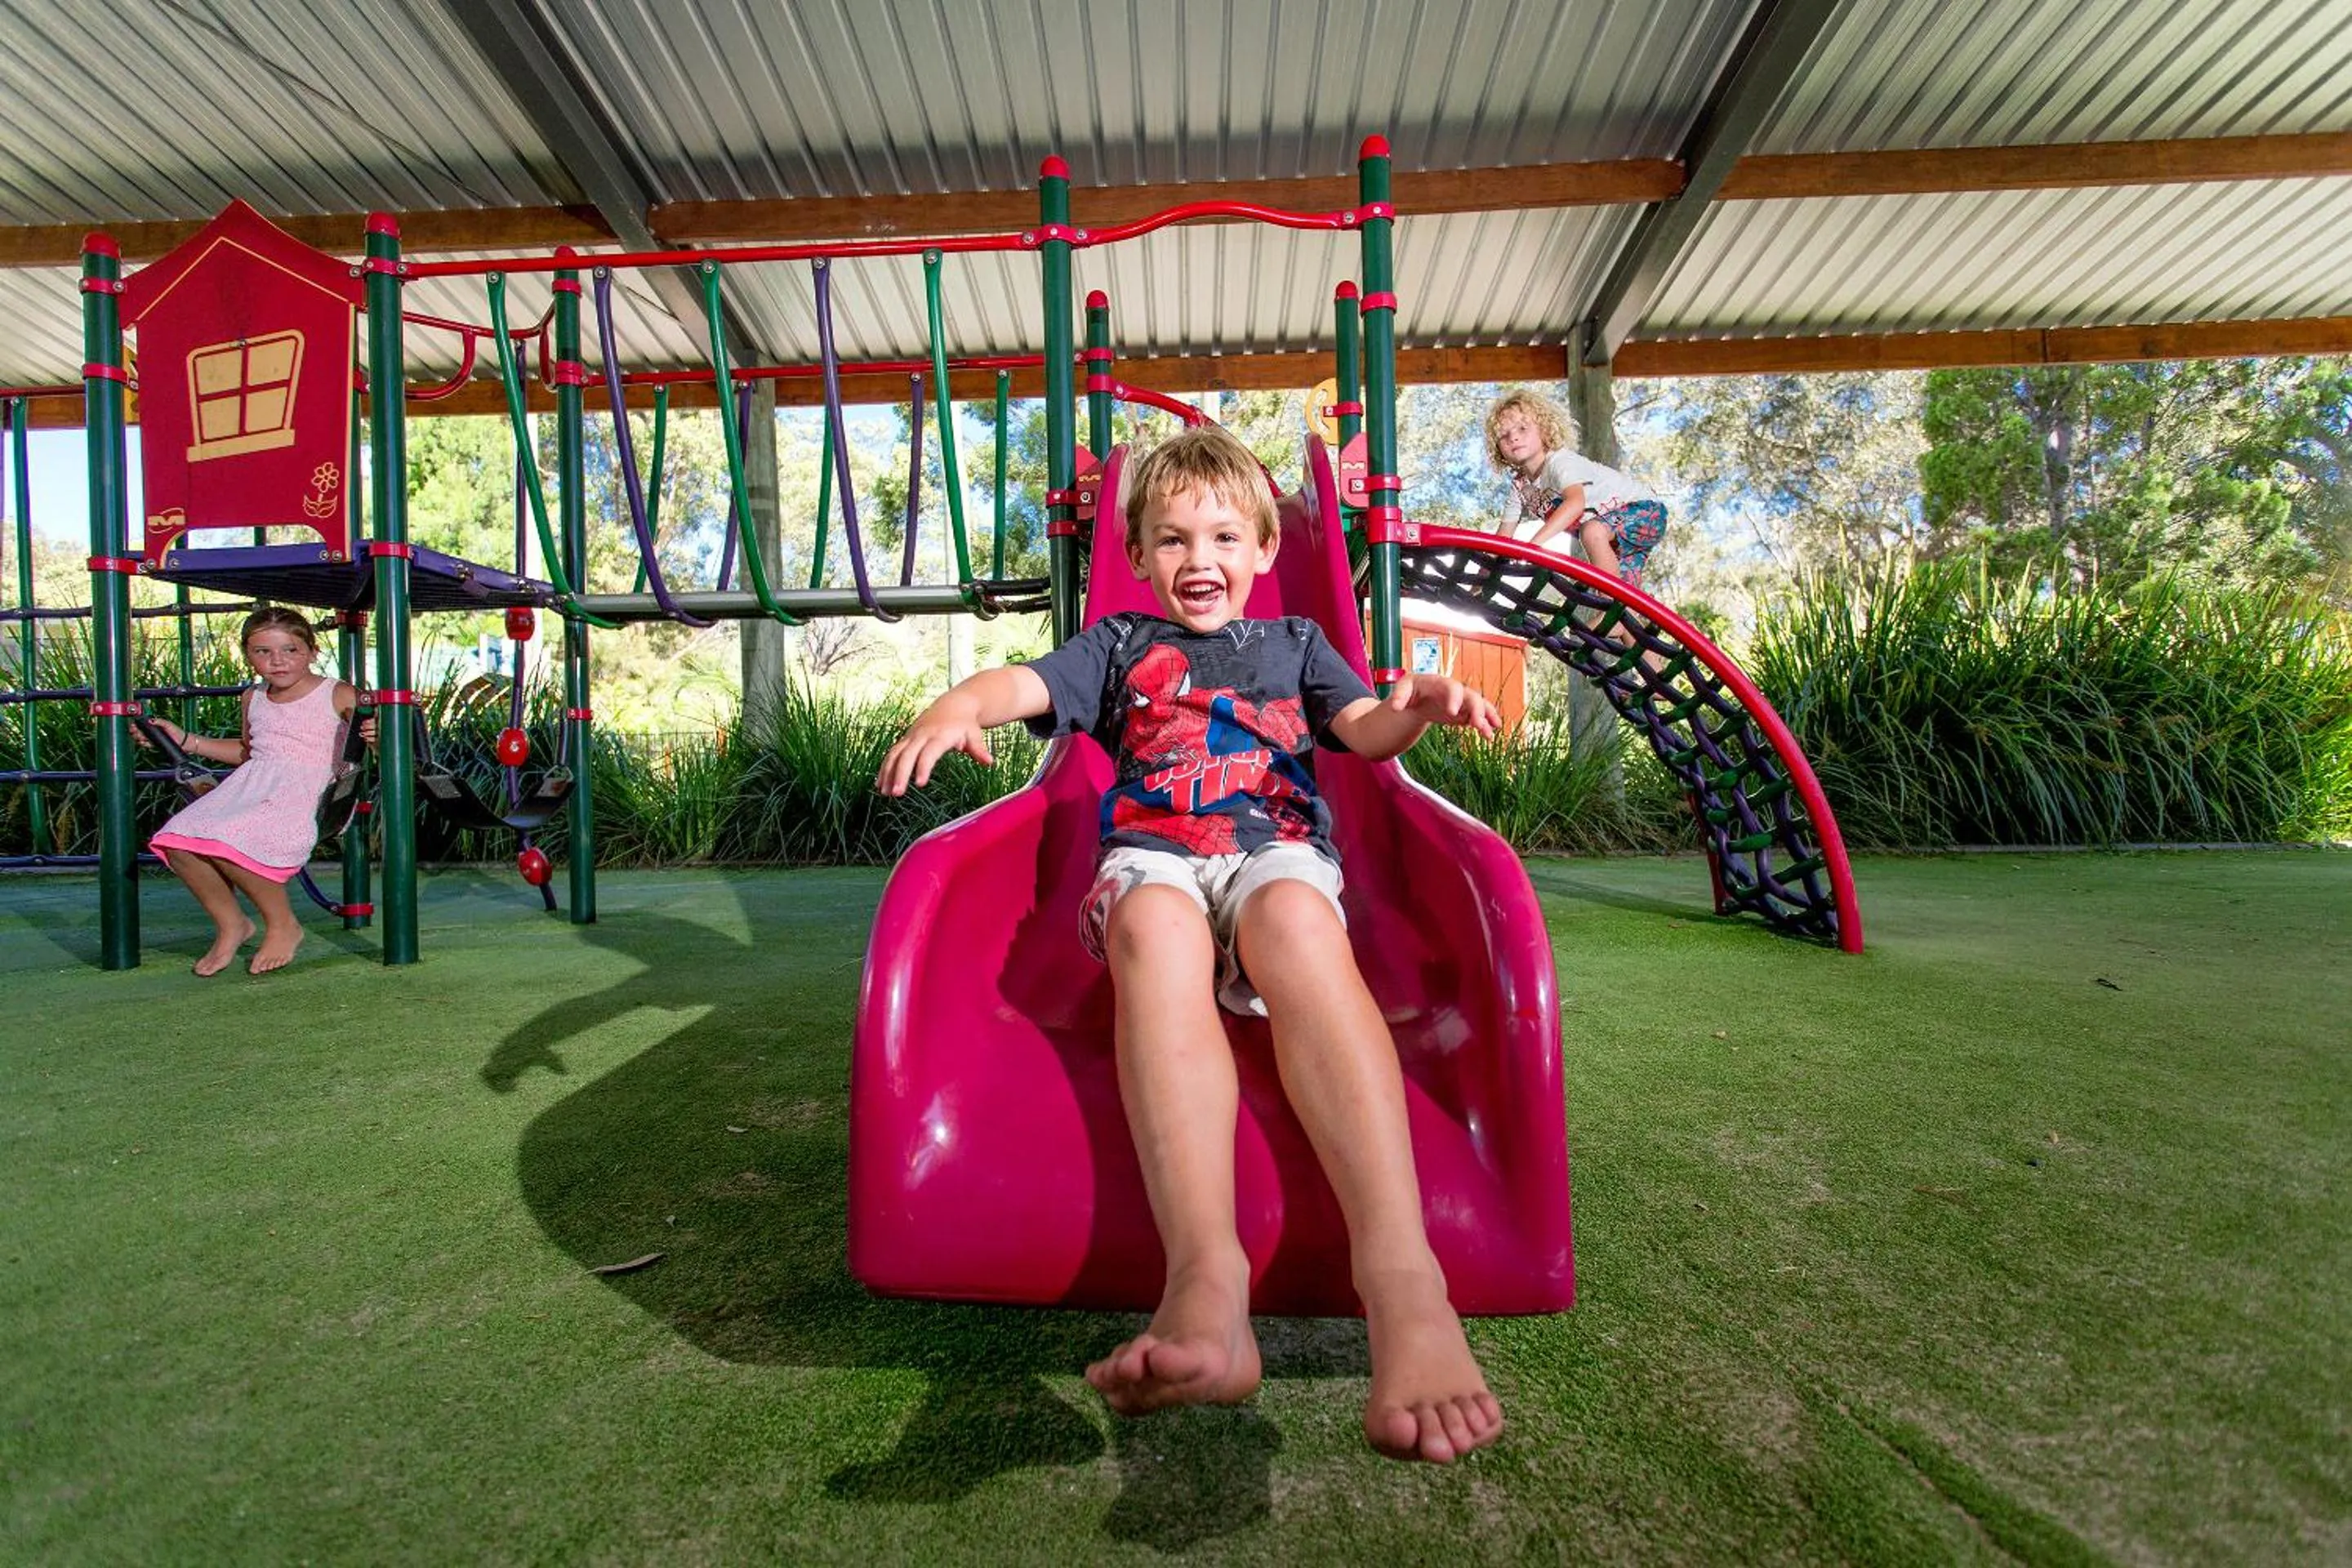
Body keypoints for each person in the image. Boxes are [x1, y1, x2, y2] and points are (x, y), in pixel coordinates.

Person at [877, 426, 1508, 1464]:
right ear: (1138, 553)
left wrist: (1419, 708)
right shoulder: (1119, 645)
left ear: (1267, 547)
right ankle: (1206, 1283)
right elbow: (1023, 686)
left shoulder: (1300, 643)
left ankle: (1404, 1282)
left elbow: (1363, 731)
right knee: (1152, 923)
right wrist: (959, 703)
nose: (1198, 559)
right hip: (1154, 864)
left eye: (1222, 535)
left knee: (1301, 923)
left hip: (1275, 858)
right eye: (1170, 540)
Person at [141, 606, 370, 976]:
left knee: (232, 837)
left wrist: (377, 736)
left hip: (310, 790)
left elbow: (382, 743)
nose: (277, 661)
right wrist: (185, 740)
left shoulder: (339, 694)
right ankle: (232, 924)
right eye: (262, 652)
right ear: (248, 654)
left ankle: (283, 925)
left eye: (291, 650)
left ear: (313, 651)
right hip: (254, 784)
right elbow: (251, 752)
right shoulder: (254, 697)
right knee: (176, 840)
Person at [1486, 386, 1668, 588]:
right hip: (1615, 537)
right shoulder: (1520, 487)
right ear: (1499, 449)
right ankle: (1614, 608)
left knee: (1591, 532)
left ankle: (1610, 594)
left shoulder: (1560, 462)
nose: (1513, 437)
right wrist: (1480, 583)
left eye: (1523, 428)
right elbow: (1501, 542)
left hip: (1646, 512)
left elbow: (1575, 504)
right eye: (1504, 435)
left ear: (1545, 429)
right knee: (1614, 612)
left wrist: (1532, 546)